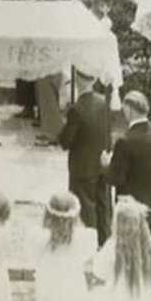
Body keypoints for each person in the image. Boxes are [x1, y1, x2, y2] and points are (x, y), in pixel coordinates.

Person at [102, 91, 151, 240]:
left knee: (129, 257)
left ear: (129, 109)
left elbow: (116, 178)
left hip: (130, 211)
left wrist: (106, 166)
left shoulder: (125, 141)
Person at [57, 70, 111, 246]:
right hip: (101, 163)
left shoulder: (77, 109)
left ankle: (88, 245)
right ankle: (103, 242)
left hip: (82, 166)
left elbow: (65, 141)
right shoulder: (103, 102)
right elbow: (107, 132)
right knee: (103, 206)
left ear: (78, 81)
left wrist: (63, 119)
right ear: (94, 79)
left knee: (85, 207)